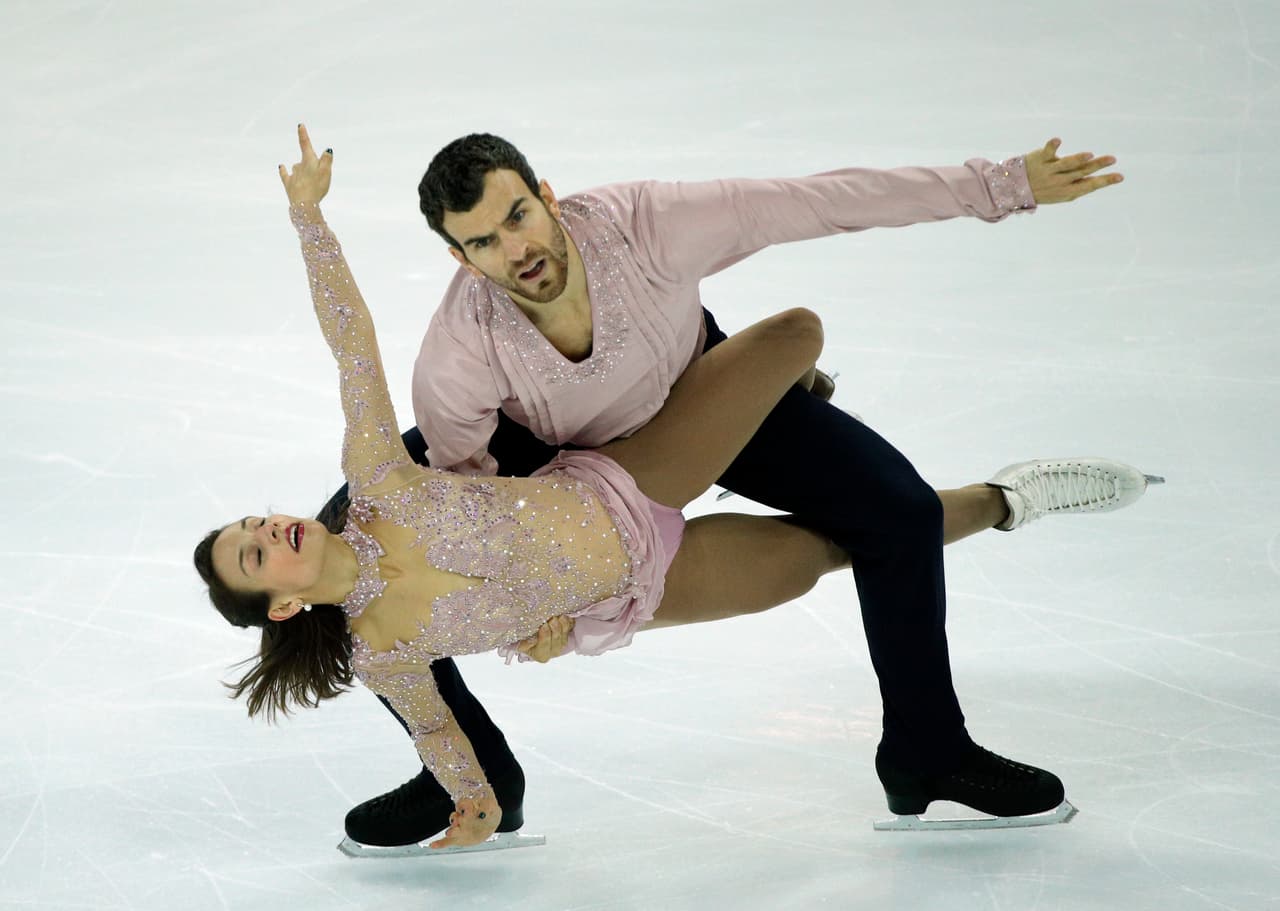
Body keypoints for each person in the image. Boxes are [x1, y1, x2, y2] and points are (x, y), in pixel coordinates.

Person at [196, 128, 1152, 849]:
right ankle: (475, 774)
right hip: (565, 474)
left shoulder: (648, 224)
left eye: (519, 215)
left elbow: (819, 201)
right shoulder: (458, 357)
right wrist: (537, 613)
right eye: (483, 241)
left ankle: (931, 743)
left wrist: (1004, 185)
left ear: (547, 195)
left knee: (888, 503)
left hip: (679, 415)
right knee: (360, 568)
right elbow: (467, 496)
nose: (514, 248)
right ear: (460, 257)